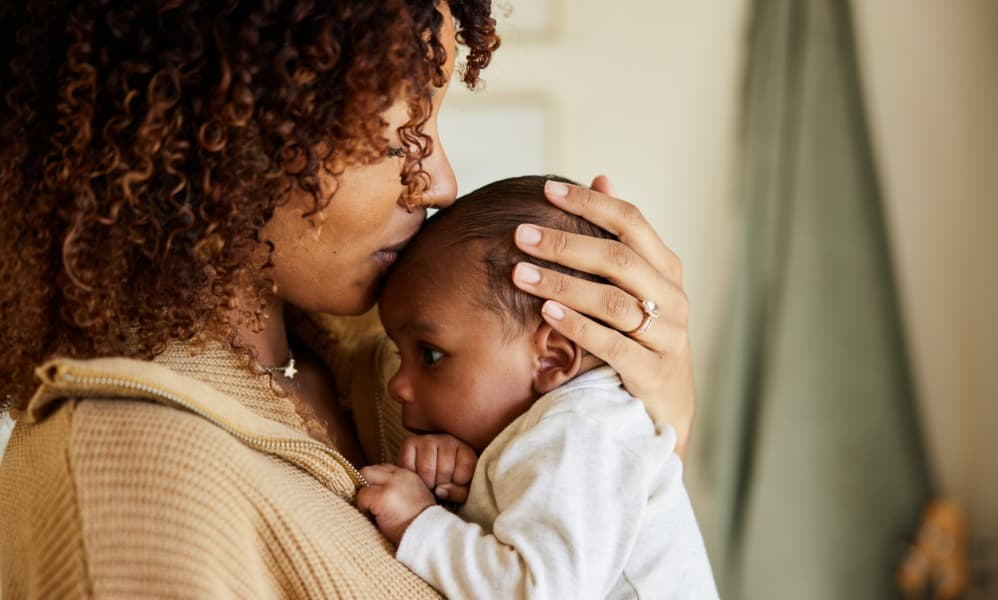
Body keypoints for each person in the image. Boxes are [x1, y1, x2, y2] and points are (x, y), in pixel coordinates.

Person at [0, 1, 697, 597]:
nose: (439, 182)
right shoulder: (126, 487)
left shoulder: (387, 360)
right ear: (228, 126)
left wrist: (645, 424)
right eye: (397, 136)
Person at [358, 176, 719, 599]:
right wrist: (471, 489)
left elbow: (540, 590)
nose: (397, 384)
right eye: (401, 355)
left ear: (553, 357)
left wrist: (418, 522)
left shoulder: (581, 429)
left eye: (430, 355)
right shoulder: (568, 427)